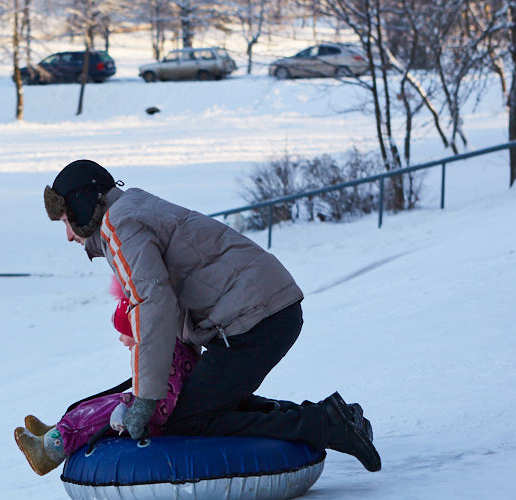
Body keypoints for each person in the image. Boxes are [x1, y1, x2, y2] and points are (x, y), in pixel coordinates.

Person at [42, 159, 381, 472]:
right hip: (260, 312)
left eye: (67, 221)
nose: (69, 235)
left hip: (255, 317)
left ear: (84, 203)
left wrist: (146, 398)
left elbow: (152, 304)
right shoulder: (128, 212)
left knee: (188, 420)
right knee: (205, 401)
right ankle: (334, 417)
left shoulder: (121, 225)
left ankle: (327, 423)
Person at [14, 287, 199, 475]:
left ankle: (49, 451)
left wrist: (130, 411)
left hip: (157, 425)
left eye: (124, 332)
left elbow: (166, 407)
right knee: (102, 403)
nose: (121, 339)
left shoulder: (162, 354)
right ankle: (54, 433)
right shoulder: (167, 347)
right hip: (154, 414)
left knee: (102, 412)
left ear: (138, 331)